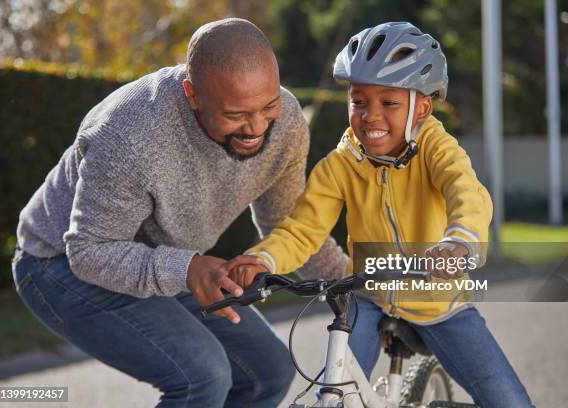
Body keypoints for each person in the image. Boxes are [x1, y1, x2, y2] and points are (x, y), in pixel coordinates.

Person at [11, 18, 347, 408]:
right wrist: (186, 268)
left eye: (267, 105)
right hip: (57, 265)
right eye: (236, 114)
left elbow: (290, 223)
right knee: (202, 377)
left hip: (167, 257)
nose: (256, 127)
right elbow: (89, 252)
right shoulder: (130, 134)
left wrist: (352, 282)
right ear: (192, 94)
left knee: (268, 370)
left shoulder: (286, 122)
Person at [223, 22, 534, 407]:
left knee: (508, 400)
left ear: (421, 107)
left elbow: (466, 193)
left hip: (437, 300)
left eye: (388, 103)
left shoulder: (438, 149)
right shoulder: (341, 163)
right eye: (359, 102)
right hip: (369, 296)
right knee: (333, 391)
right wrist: (262, 258)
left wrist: (460, 241)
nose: (370, 116)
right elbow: (302, 228)